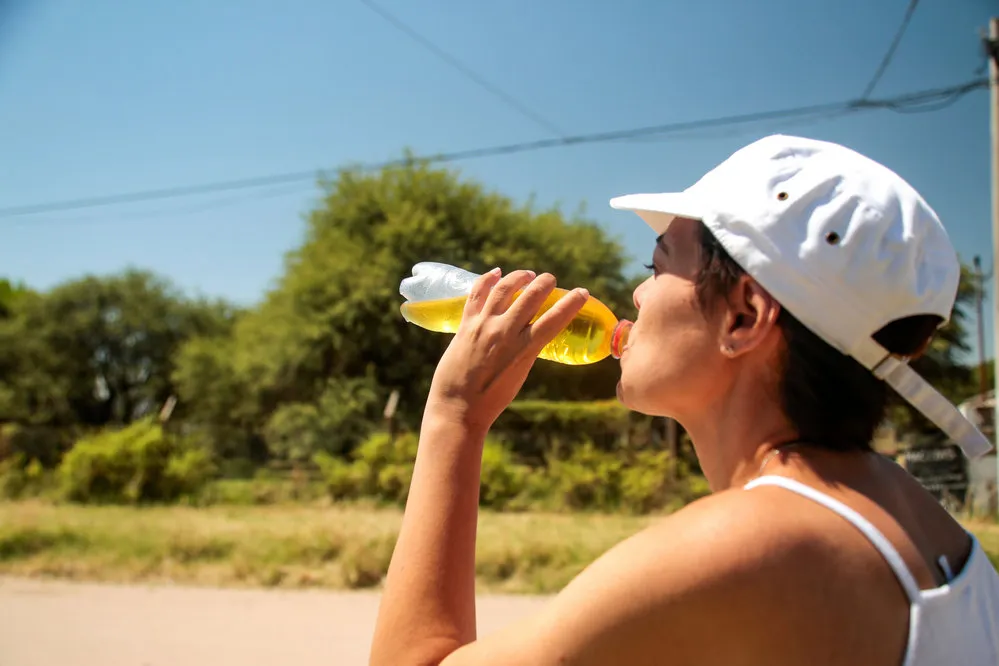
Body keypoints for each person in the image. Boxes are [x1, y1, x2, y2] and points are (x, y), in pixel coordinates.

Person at [368, 135, 999, 666]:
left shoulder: (749, 547)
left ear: (744, 317)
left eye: (657, 265)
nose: (637, 297)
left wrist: (455, 416)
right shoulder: (919, 516)